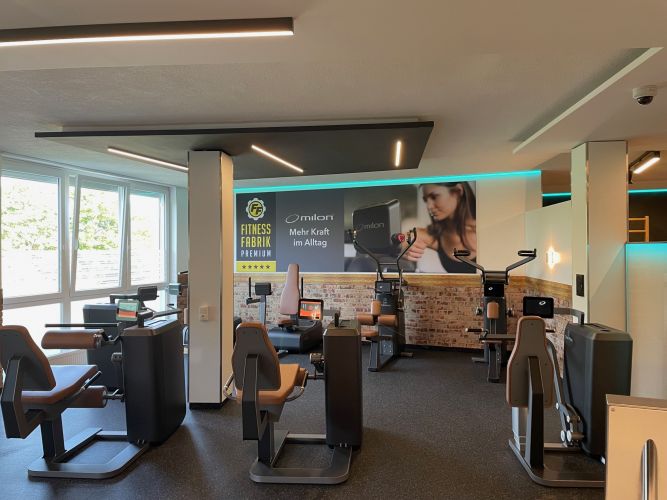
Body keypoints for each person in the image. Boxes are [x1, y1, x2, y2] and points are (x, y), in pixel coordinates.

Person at [406, 182, 477, 273]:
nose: (429, 206)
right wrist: (401, 248)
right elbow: (400, 239)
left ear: (458, 191)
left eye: (434, 197)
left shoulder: (485, 229)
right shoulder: (436, 234)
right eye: (426, 200)